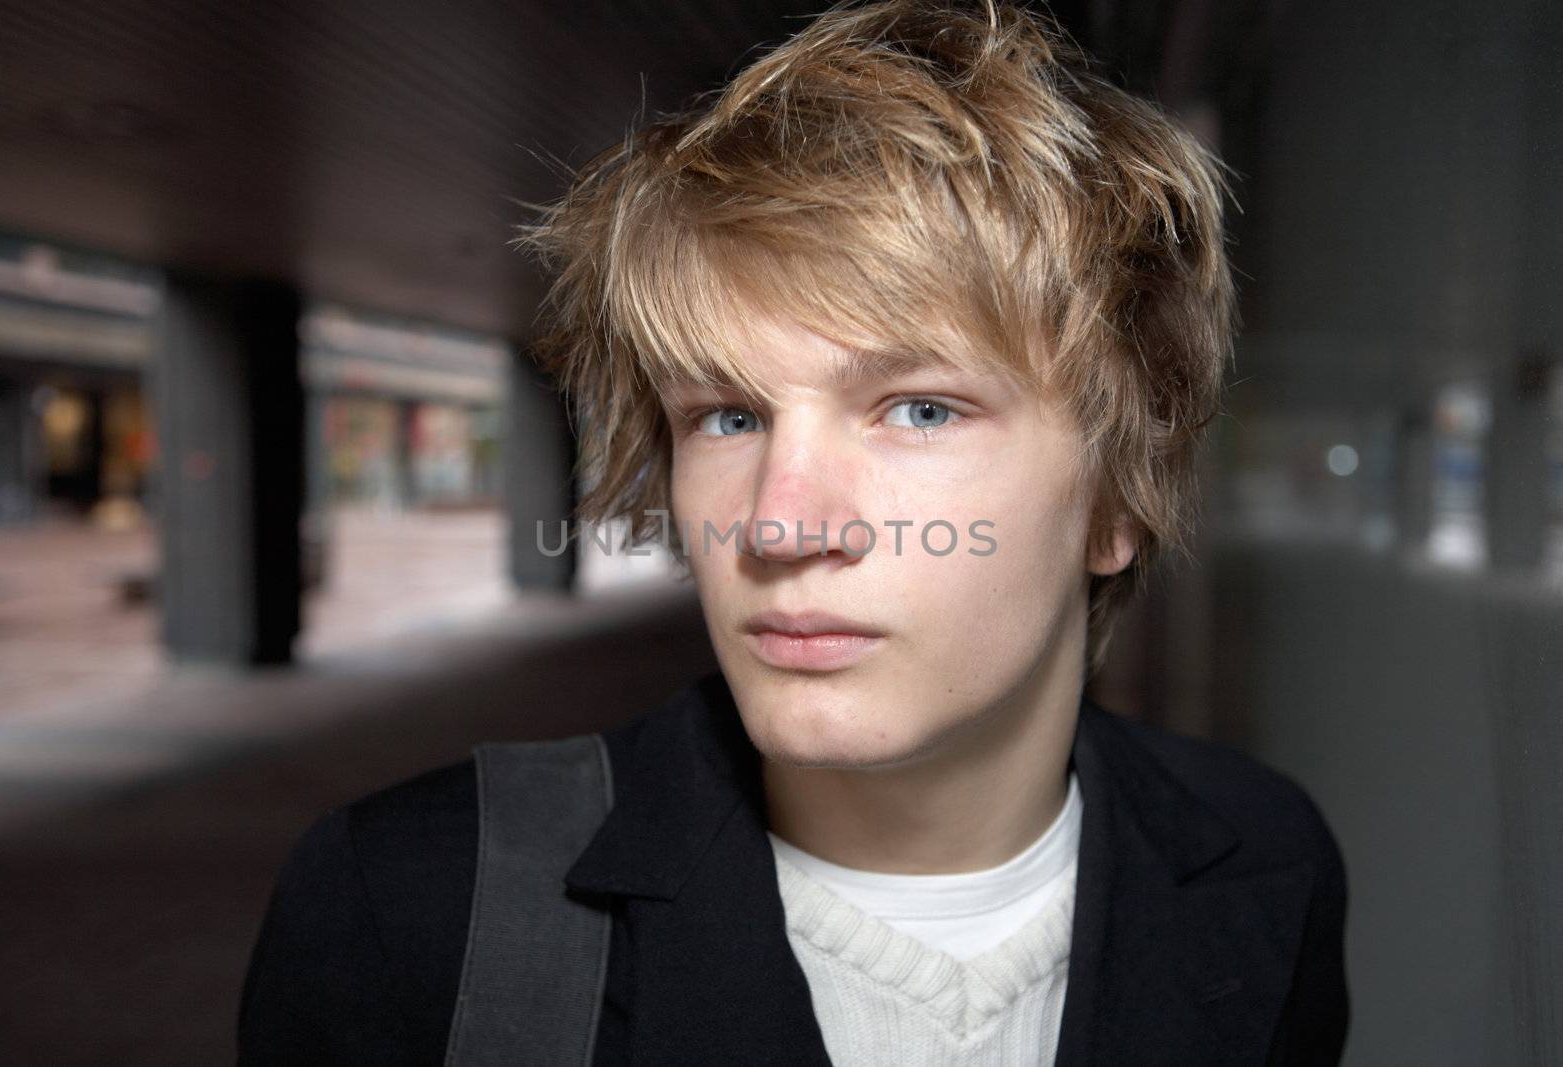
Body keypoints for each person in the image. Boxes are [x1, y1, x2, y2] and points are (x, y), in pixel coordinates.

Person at [238, 1, 1349, 1063]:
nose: (776, 520)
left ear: (1115, 498)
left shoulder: (1261, 858)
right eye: (726, 415)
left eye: (919, 408)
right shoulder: (412, 901)